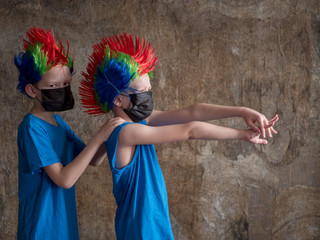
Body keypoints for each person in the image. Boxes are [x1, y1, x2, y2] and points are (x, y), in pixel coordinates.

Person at [79, 32, 279, 240]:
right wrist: (243, 134)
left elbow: (193, 112)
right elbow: (190, 130)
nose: (149, 96)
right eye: (143, 92)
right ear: (118, 100)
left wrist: (241, 111)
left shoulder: (138, 122)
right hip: (142, 231)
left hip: (152, 225)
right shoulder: (126, 132)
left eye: (150, 89)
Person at [14, 27, 124, 240]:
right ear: (32, 90)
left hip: (64, 226)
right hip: (41, 228)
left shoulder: (58, 122)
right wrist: (100, 136)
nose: (62, 90)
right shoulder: (31, 128)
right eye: (53, 85)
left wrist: (115, 131)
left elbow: (94, 159)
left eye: (66, 84)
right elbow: (64, 179)